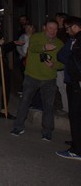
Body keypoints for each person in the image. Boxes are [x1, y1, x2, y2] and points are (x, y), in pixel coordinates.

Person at [11, 19, 64, 140]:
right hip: (32, 76)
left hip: (49, 79)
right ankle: (18, 127)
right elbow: (33, 48)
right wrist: (45, 47)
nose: (52, 31)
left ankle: (47, 132)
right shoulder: (36, 37)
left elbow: (63, 63)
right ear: (44, 27)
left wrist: (54, 65)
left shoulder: (60, 44)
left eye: (55, 29)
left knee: (48, 106)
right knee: (25, 101)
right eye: (50, 28)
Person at [56, 16, 81, 160]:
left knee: (76, 114)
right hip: (74, 81)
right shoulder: (74, 41)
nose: (66, 31)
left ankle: (77, 150)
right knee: (76, 114)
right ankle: (77, 142)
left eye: (68, 28)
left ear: (76, 27)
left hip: (76, 82)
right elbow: (62, 56)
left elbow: (71, 60)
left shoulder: (77, 41)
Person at [55, 12, 69, 114]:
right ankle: (66, 107)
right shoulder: (60, 32)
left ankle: (67, 108)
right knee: (61, 86)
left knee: (63, 86)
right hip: (59, 63)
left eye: (58, 19)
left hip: (63, 63)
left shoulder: (64, 33)